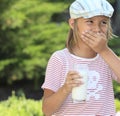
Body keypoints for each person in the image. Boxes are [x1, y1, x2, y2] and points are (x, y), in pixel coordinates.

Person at [41, 0, 120, 115]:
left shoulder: (107, 57)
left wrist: (104, 51)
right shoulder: (60, 59)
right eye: (90, 21)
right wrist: (65, 88)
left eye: (103, 22)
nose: (97, 29)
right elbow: (47, 111)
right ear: (73, 24)